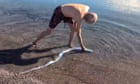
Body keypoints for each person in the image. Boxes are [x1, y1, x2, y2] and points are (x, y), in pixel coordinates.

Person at [32, 3, 98, 51]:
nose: (86, 22)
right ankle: (34, 42)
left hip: (68, 14)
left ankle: (69, 44)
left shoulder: (87, 7)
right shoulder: (80, 17)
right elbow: (78, 34)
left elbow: (75, 13)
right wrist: (83, 48)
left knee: (73, 30)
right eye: (88, 22)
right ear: (86, 19)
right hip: (59, 11)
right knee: (49, 31)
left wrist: (75, 23)